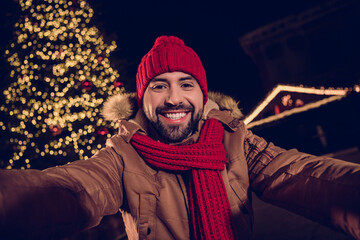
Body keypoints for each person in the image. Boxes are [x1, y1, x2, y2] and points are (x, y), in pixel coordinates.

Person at [0, 35, 360, 240]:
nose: (174, 98)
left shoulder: (234, 142)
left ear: (202, 98)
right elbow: (73, 189)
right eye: (160, 86)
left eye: (186, 84)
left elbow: (304, 176)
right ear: (142, 100)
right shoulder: (122, 156)